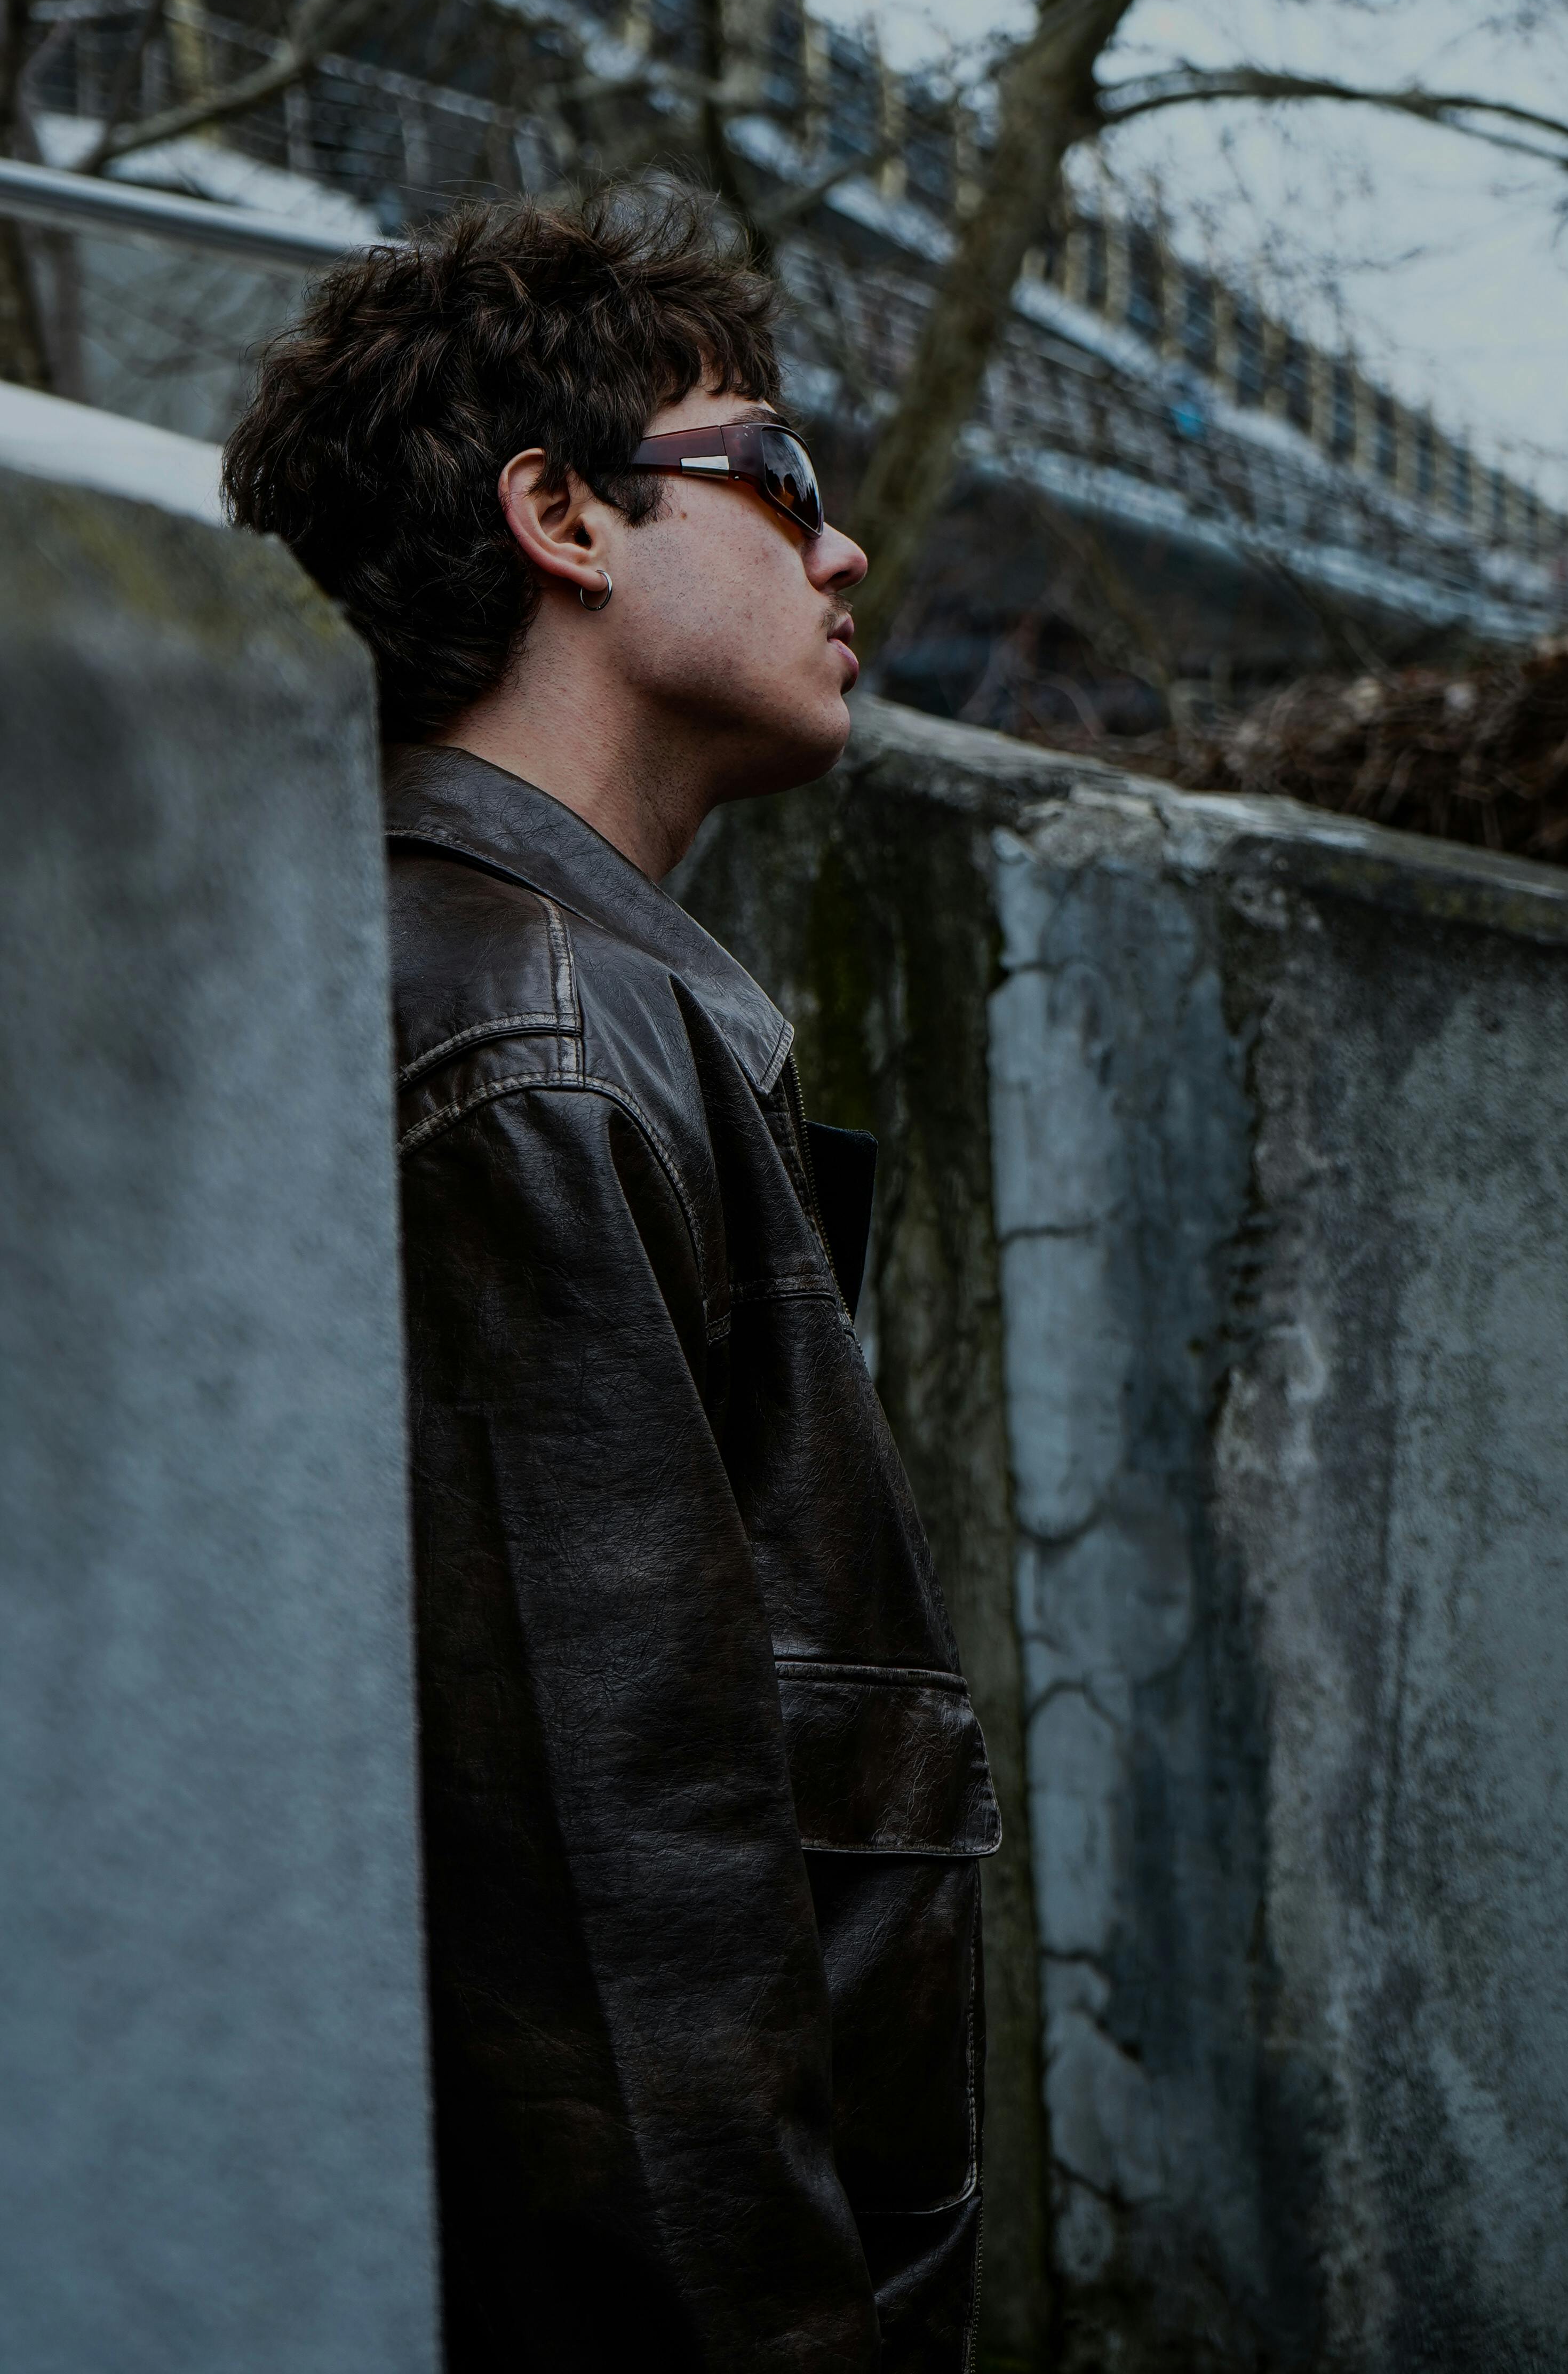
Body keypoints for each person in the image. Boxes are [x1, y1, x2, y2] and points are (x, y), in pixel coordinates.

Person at [224, 181, 997, 2373]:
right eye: (780, 474)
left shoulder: (522, 998)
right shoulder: (526, 1044)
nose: (845, 552)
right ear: (560, 513)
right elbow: (617, 1938)